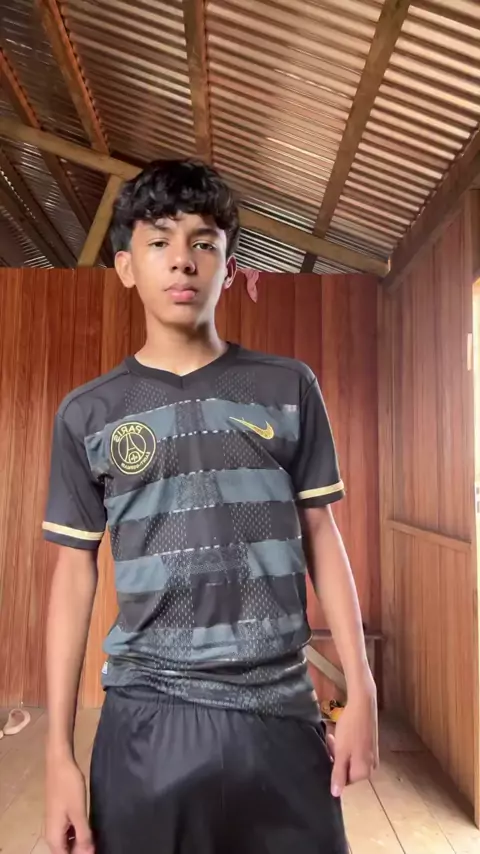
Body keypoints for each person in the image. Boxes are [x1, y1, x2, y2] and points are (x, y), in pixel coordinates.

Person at [43, 159, 378, 854]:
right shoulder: (88, 413)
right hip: (146, 719)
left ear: (228, 269)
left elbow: (320, 532)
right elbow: (74, 573)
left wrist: (363, 689)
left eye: (203, 243)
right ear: (125, 266)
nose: (182, 260)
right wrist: (57, 754)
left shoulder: (288, 387)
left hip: (280, 713)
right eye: (158, 241)